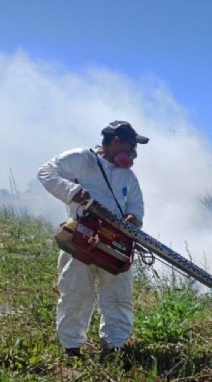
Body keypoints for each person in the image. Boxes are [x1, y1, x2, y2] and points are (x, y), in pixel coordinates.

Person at [37, 121, 149, 357]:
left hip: (117, 242)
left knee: (118, 295)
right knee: (75, 292)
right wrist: (72, 192)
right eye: (130, 148)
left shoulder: (128, 177)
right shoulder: (81, 158)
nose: (133, 155)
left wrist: (133, 219)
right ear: (115, 142)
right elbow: (45, 172)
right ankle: (72, 347)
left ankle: (115, 344)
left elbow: (137, 206)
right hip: (81, 238)